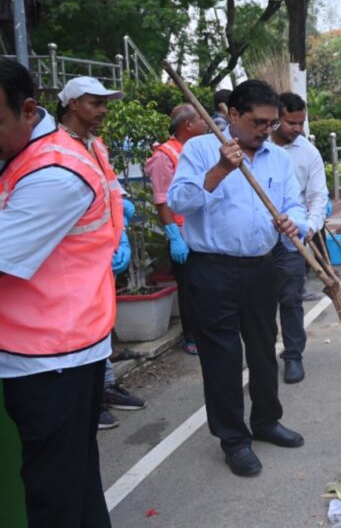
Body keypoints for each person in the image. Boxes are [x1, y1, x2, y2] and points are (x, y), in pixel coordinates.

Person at [0, 60, 122, 527]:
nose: (101, 112)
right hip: (59, 343)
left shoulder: (56, 170)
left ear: (29, 109)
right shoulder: (42, 152)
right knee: (75, 483)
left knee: (55, 497)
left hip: (51, 355)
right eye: (95, 102)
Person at [168, 80, 307, 477]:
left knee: (264, 348)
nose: (266, 130)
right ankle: (233, 438)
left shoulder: (277, 158)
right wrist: (220, 170)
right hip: (212, 270)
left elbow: (294, 203)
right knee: (223, 358)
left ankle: (266, 420)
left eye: (271, 122)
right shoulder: (198, 150)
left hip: (263, 265)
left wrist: (292, 221)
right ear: (232, 115)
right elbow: (178, 201)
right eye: (258, 122)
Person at [57, 77, 146, 429]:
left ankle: (104, 387)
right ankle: (87, 402)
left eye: (105, 103)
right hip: (72, 261)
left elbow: (110, 187)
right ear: (73, 104)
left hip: (100, 255)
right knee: (77, 330)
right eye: (95, 102)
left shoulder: (95, 144)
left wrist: (120, 224)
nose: (104, 110)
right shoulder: (59, 147)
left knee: (100, 324)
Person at [270, 92, 327, 384]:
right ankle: (264, 353)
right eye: (291, 122)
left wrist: (310, 226)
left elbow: (318, 195)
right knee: (262, 301)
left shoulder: (308, 152)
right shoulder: (258, 146)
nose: (297, 129)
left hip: (293, 241)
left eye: (301, 122)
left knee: (291, 299)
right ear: (277, 117)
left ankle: (293, 355)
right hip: (257, 242)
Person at [146, 104, 206, 356]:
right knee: (189, 286)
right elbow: (162, 199)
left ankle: (205, 331)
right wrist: (174, 235)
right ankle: (190, 335)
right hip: (181, 230)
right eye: (200, 118)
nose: (205, 122)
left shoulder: (193, 150)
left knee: (203, 284)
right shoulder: (164, 155)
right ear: (188, 126)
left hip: (199, 227)